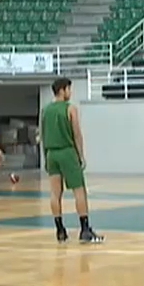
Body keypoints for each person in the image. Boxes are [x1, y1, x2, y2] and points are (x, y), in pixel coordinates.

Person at [40, 78, 103, 244]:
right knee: (79, 191)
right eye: (69, 89)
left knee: (55, 193)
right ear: (62, 90)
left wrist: (46, 156)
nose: (71, 92)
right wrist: (81, 155)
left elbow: (42, 135)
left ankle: (60, 230)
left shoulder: (45, 110)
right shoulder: (70, 109)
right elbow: (77, 134)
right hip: (67, 152)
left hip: (51, 153)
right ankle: (85, 229)